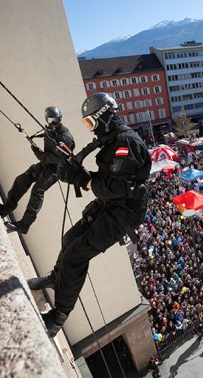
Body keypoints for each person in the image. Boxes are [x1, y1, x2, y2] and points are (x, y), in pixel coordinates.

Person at [27, 93, 151, 337]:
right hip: (111, 205)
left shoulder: (126, 143)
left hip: (123, 214)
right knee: (69, 239)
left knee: (75, 255)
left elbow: (117, 187)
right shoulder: (112, 140)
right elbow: (109, 181)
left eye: (90, 123)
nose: (90, 130)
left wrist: (85, 181)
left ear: (101, 118)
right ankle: (55, 279)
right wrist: (81, 173)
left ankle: (58, 317)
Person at [0, 107, 75, 234]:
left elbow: (57, 157)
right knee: (22, 180)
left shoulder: (65, 137)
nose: (53, 123)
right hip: (46, 164)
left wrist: (38, 153)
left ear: (60, 119)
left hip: (57, 169)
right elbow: (47, 146)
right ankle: (6, 208)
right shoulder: (50, 130)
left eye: (55, 120)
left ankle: (25, 224)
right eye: (50, 120)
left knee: (38, 190)